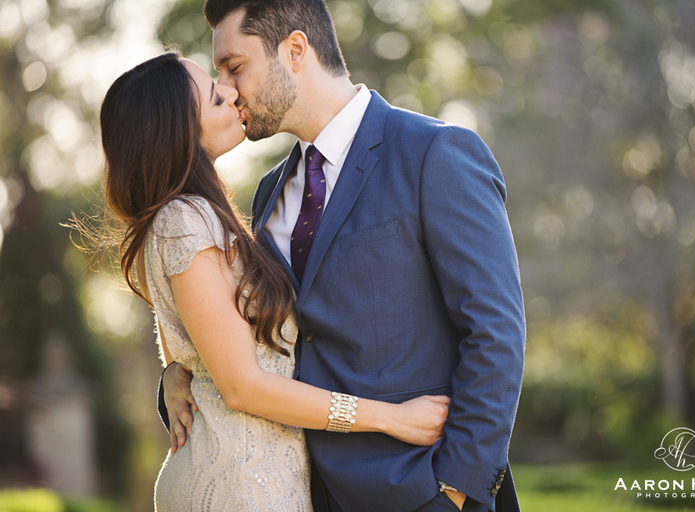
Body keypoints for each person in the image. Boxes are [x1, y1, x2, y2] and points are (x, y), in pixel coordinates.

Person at [162, 0, 527, 511]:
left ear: (294, 50)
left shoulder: (435, 154)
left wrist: (455, 491)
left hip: (423, 491)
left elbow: (495, 332)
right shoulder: (269, 193)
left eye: (234, 66)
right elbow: (257, 340)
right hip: (309, 494)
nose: (225, 88)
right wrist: (178, 372)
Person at [92, 51, 452, 511]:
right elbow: (243, 386)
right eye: (211, 95)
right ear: (177, 129)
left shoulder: (189, 215)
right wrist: (392, 419)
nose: (229, 91)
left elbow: (189, 341)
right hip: (239, 487)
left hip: (256, 476)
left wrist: (173, 374)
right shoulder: (185, 220)